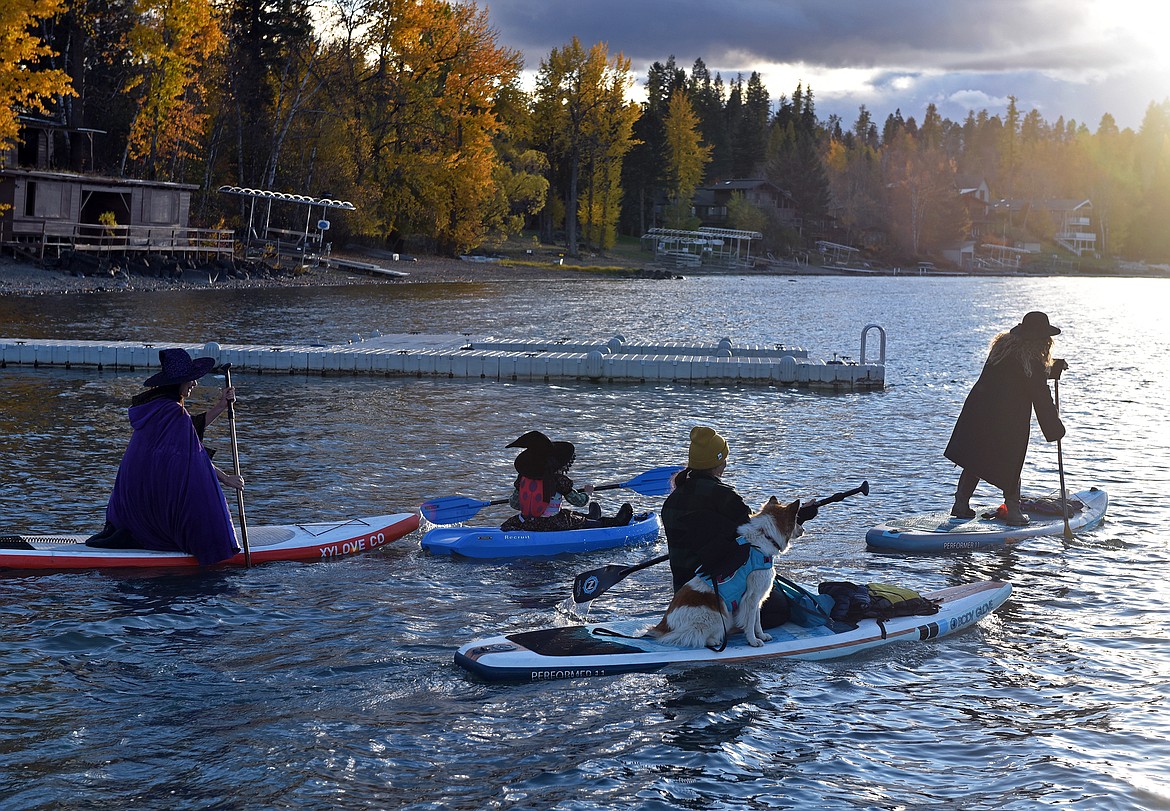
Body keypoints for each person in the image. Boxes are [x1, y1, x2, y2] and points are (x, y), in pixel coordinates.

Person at [89, 348, 244, 564]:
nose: (194, 384)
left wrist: (220, 406)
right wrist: (227, 478)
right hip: (145, 502)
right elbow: (193, 454)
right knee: (201, 487)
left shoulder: (157, 407)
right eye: (190, 379)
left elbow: (188, 432)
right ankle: (211, 544)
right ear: (178, 382)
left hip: (130, 500)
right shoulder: (172, 412)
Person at [661, 425, 814, 628]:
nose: (725, 463)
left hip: (683, 592)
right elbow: (755, 538)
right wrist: (796, 518)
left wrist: (790, 517)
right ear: (717, 462)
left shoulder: (671, 501)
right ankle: (729, 625)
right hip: (719, 590)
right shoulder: (725, 497)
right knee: (780, 607)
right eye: (724, 458)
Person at [945, 311, 1068, 526]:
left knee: (975, 456)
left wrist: (1054, 367)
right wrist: (1055, 428)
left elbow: (1025, 371)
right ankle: (1013, 511)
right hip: (1007, 419)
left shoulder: (1002, 350)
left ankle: (961, 504)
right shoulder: (1032, 362)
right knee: (1012, 461)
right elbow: (1040, 396)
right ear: (1041, 340)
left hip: (978, 412)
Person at [499, 430, 633, 532]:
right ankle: (614, 523)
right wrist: (588, 493)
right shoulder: (559, 481)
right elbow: (579, 501)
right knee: (577, 521)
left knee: (570, 515)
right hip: (552, 524)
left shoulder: (522, 479)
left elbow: (515, 504)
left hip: (525, 522)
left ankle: (590, 517)